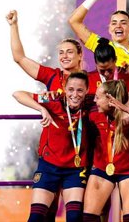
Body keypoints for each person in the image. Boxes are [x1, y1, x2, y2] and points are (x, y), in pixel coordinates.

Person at [13, 72, 90, 222]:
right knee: (35, 217)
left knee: (74, 218)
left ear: (87, 91)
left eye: (80, 90)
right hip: (49, 167)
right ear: (64, 89)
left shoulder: (92, 104)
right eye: (71, 89)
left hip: (76, 169)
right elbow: (18, 94)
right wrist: (42, 109)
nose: (75, 94)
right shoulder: (53, 99)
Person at [83, 80, 129, 222]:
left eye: (98, 97)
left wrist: (126, 110)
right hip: (102, 168)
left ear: (110, 99)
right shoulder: (94, 111)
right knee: (88, 218)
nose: (95, 100)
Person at [68, 0, 129, 68]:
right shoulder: (102, 45)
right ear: (110, 29)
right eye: (114, 23)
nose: (118, 26)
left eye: (123, 23)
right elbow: (74, 21)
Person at [7, 10, 84, 91]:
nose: (64, 56)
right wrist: (13, 25)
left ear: (80, 55)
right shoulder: (52, 76)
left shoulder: (94, 78)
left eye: (69, 52)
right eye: (61, 53)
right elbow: (19, 58)